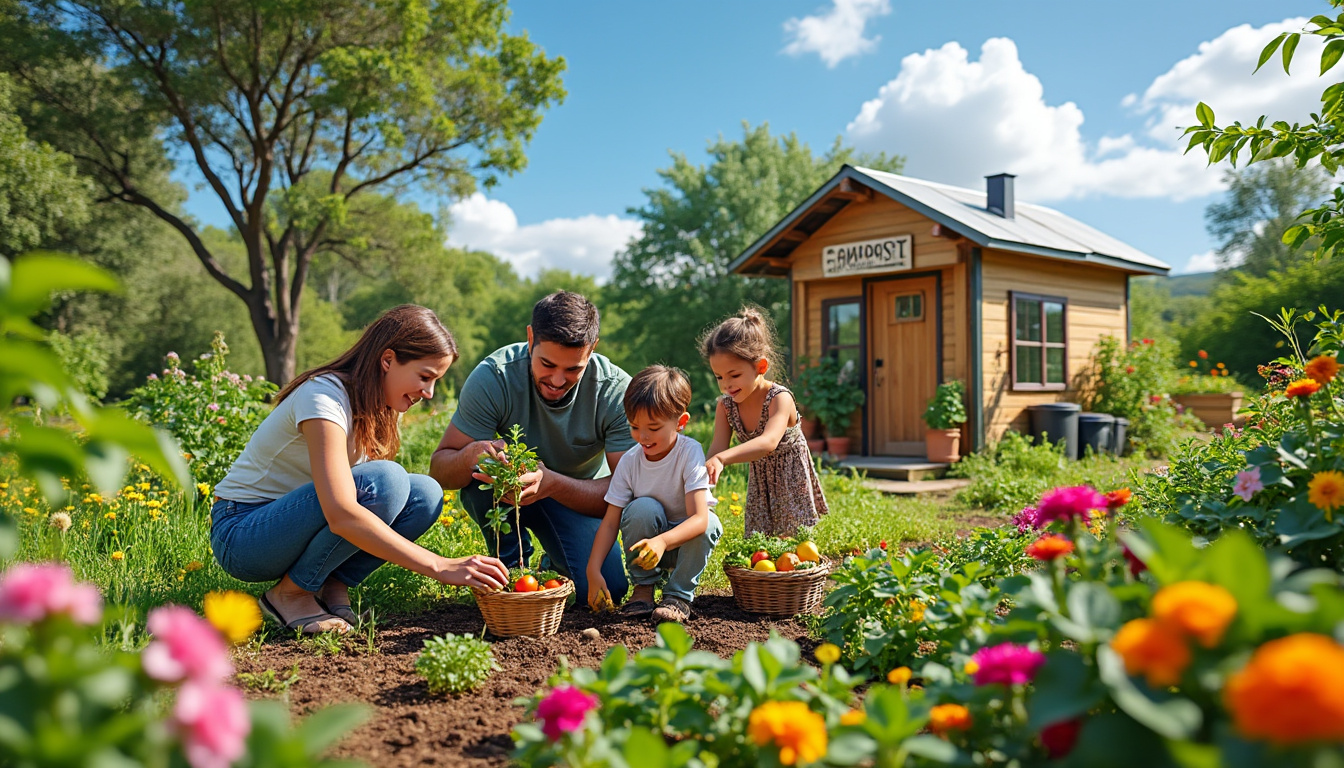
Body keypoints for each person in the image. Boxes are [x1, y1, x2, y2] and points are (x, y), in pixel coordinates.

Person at [211, 305, 510, 635]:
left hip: (294, 527)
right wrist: (439, 565)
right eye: (425, 377)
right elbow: (341, 512)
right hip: (244, 534)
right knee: (386, 480)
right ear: (387, 360)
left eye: (435, 381)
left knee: (426, 494)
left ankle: (331, 585)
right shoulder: (323, 396)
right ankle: (290, 595)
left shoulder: (381, 404)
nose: (429, 393)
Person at [430, 291, 633, 604]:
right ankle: (511, 567)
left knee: (610, 590)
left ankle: (553, 561)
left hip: (577, 496)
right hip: (507, 495)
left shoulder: (615, 392)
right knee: (477, 476)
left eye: (573, 370)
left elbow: (627, 490)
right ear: (530, 338)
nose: (556, 379)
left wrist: (552, 484)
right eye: (547, 363)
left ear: (592, 350)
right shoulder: (494, 377)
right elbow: (440, 469)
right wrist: (475, 453)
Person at [586, 365, 720, 622]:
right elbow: (611, 521)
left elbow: (699, 520)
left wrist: (662, 542)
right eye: (634, 427)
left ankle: (678, 597)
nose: (643, 436)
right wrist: (593, 570)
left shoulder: (689, 453)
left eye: (654, 428)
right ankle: (643, 590)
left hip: (683, 548)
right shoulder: (630, 461)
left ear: (680, 422)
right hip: (647, 546)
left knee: (710, 522)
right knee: (641, 508)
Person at [702, 307, 829, 536]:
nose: (726, 385)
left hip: (791, 480)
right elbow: (716, 449)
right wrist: (701, 482)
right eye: (719, 377)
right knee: (760, 545)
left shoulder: (779, 398)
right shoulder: (726, 405)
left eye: (734, 375)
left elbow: (768, 442)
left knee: (793, 547)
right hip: (761, 483)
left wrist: (723, 458)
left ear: (760, 367)